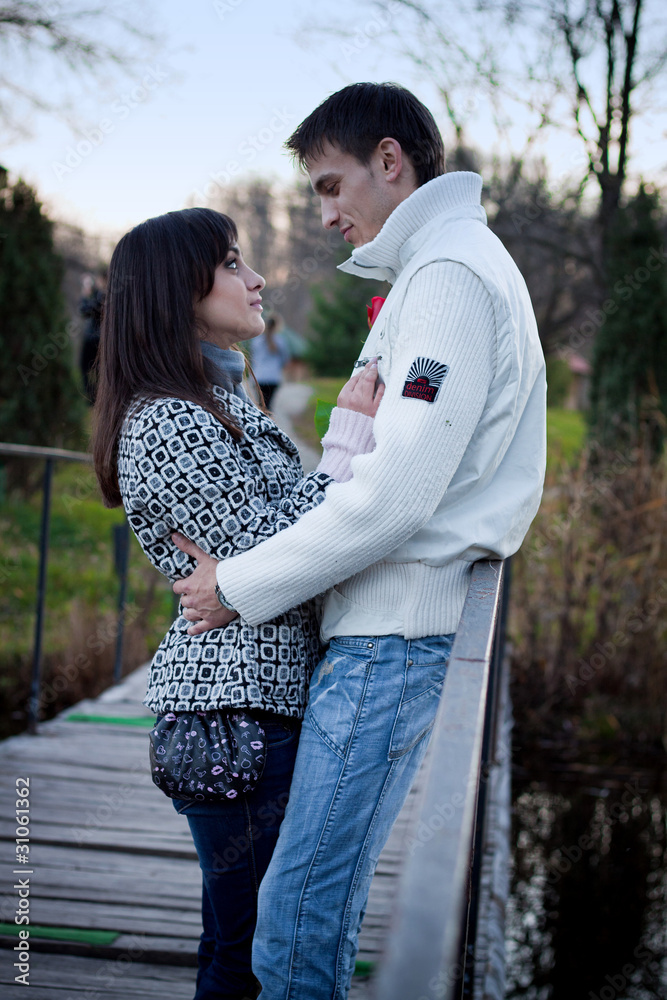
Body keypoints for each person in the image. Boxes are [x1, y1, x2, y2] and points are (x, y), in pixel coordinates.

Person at [174, 82, 548, 1000]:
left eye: (331, 186)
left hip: (392, 637)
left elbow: (394, 498)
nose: (326, 214)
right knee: (302, 907)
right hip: (383, 633)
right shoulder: (437, 267)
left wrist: (237, 586)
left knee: (297, 915)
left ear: (390, 160)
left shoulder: (449, 274)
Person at [91, 206, 383, 1000]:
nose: (255, 280)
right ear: (175, 290)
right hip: (235, 713)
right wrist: (347, 445)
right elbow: (273, 554)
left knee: (241, 943)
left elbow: (262, 548)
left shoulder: (216, 398)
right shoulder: (166, 419)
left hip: (257, 705)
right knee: (251, 951)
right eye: (229, 264)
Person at [249, 312, 290, 408]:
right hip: (273, 377)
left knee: (260, 405)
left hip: (259, 377)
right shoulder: (280, 341)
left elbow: (253, 358)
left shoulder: (256, 341)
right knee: (268, 406)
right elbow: (285, 360)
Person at [79, 267, 107, 402]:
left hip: (93, 339)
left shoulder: (103, 296)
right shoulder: (107, 295)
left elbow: (84, 310)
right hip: (102, 339)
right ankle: (96, 398)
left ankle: (92, 399)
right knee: (98, 371)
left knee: (86, 368)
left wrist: (85, 293)